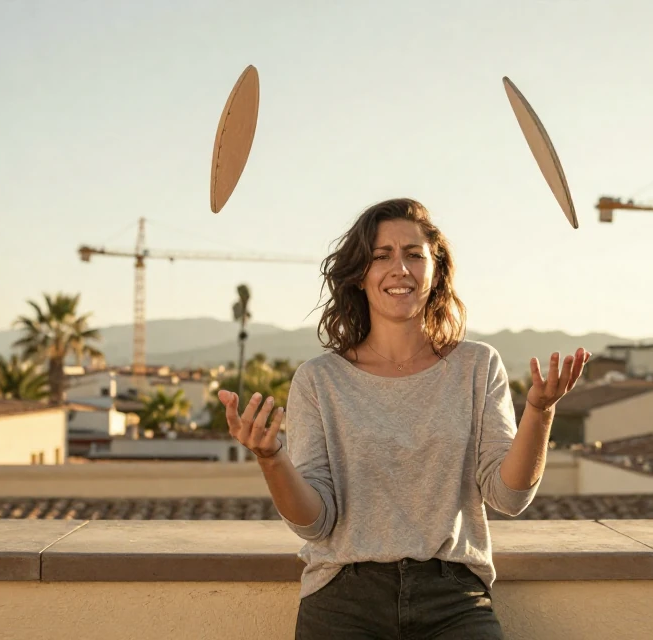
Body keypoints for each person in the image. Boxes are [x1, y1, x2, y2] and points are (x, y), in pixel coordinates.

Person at [218, 198, 588, 639]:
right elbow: (315, 523)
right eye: (381, 256)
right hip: (342, 600)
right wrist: (271, 458)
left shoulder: (478, 366)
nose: (399, 268)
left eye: (414, 254)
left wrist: (540, 412)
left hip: (453, 597)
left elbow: (508, 497)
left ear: (436, 271)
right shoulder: (319, 379)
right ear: (360, 275)